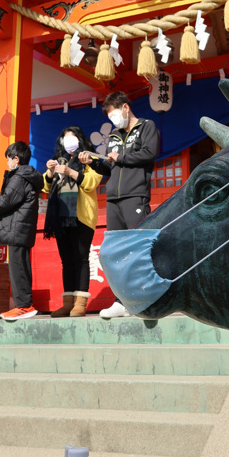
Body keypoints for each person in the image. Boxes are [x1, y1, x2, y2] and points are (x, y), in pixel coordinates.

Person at [80, 91, 159, 319]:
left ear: (126, 107)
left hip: (135, 196)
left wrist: (120, 158)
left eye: (114, 114)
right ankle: (120, 301)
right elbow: (110, 168)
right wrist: (94, 163)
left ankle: (146, 299)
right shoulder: (114, 136)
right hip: (113, 199)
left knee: (138, 249)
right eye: (110, 117)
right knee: (116, 252)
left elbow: (149, 153)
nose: (113, 120)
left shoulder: (146, 126)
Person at [0, 141, 44, 321]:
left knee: (18, 269)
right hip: (21, 228)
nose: (8, 163)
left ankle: (24, 306)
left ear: (16, 158)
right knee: (20, 267)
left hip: (17, 228)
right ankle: (24, 305)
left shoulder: (19, 178)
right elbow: (8, 199)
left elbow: (3, 204)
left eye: (8, 159)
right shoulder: (26, 176)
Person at [43, 126, 102, 318]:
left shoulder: (89, 159)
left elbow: (92, 182)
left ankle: (80, 303)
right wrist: (51, 173)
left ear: (80, 140)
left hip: (81, 215)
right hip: (61, 216)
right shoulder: (60, 160)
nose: (69, 142)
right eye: (65, 138)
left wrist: (70, 171)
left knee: (81, 258)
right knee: (66, 261)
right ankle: (68, 303)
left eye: (72, 138)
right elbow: (46, 187)